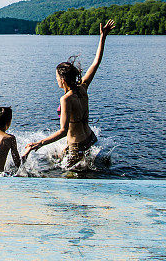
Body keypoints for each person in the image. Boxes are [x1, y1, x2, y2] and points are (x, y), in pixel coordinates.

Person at [24, 19, 115, 166]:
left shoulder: (66, 99)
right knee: (61, 157)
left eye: (56, 77)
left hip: (77, 146)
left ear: (63, 80)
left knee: (69, 179)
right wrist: (102, 38)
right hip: (90, 138)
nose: (56, 80)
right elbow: (96, 62)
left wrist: (39, 143)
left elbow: (63, 131)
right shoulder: (83, 87)